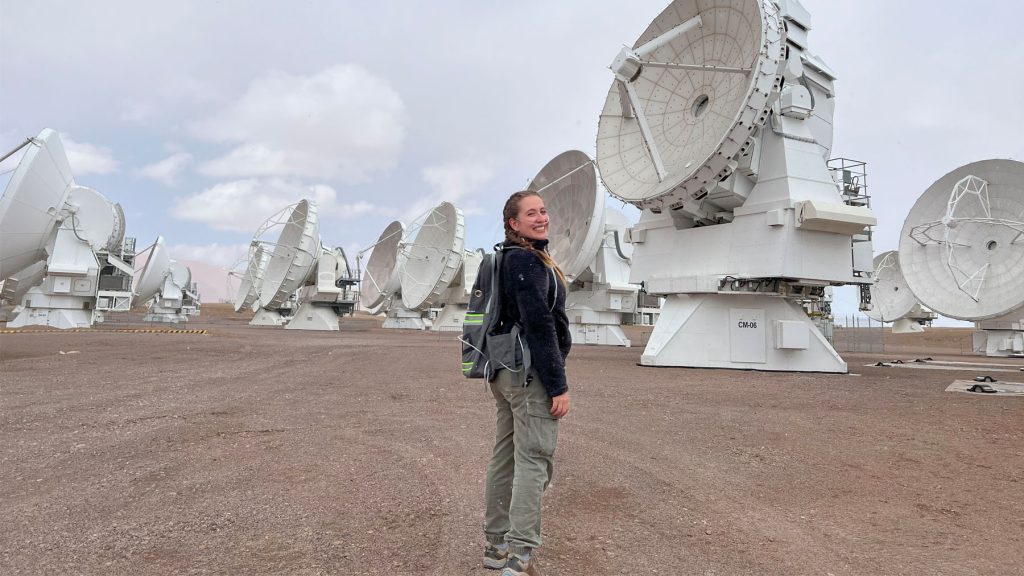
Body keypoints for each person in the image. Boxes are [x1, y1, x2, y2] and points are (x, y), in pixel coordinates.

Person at [482, 190, 572, 576]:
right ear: (513, 224)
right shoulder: (527, 262)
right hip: (529, 375)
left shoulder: (506, 259)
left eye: (543, 210)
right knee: (533, 460)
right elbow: (539, 323)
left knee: (506, 457)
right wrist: (557, 385)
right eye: (531, 213)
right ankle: (519, 557)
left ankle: (496, 546)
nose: (541, 217)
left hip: (504, 371)